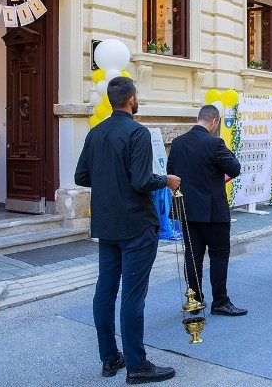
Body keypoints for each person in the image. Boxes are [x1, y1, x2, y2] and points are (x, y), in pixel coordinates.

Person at [74, 77, 180, 384]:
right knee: (134, 296)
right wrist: (166, 181)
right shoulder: (138, 132)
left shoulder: (95, 133)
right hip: (135, 224)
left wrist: (109, 179)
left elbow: (82, 176)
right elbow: (141, 181)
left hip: (107, 224)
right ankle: (137, 364)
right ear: (131, 99)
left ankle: (110, 358)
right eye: (137, 96)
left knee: (105, 291)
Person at [166, 105, 246, 316]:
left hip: (186, 209)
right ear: (214, 122)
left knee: (192, 257)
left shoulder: (177, 143)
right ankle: (220, 301)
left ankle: (195, 300)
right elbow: (235, 168)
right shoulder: (214, 143)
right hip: (213, 212)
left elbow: (170, 173)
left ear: (198, 118)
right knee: (219, 255)